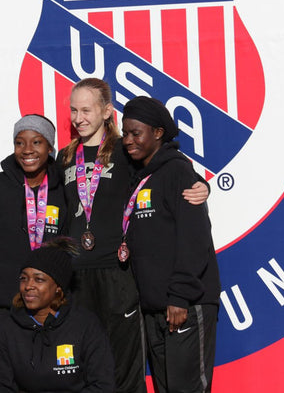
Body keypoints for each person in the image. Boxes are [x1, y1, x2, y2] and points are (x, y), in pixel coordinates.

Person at [57, 78, 209, 393]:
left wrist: (199, 183)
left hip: (118, 272)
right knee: (85, 366)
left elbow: (166, 166)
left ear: (106, 111)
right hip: (78, 276)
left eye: (86, 109)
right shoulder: (64, 158)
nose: (78, 117)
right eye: (73, 110)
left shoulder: (125, 151)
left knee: (126, 370)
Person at [121, 96, 221, 393]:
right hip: (155, 309)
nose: (128, 140)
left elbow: (195, 238)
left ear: (158, 132)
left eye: (136, 133)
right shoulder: (141, 176)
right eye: (125, 133)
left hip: (184, 305)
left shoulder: (178, 173)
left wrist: (179, 296)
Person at [0, 114, 68, 362]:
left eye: (36, 142)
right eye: (20, 142)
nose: (27, 150)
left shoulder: (63, 191)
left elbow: (69, 251)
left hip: (49, 311)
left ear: (50, 147)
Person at [0, 237, 115, 393]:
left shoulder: (86, 325)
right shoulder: (6, 327)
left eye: (39, 279)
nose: (28, 286)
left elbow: (103, 385)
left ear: (58, 287)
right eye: (23, 278)